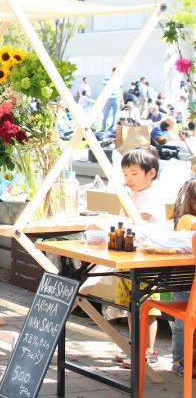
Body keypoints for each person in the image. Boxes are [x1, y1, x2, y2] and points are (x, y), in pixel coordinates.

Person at [115, 146, 165, 367]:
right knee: (130, 307)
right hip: (130, 257)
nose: (129, 179)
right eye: (126, 174)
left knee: (146, 309)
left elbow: (138, 221)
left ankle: (148, 351)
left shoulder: (152, 195)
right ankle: (135, 348)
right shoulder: (132, 194)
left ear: (151, 173)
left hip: (147, 259)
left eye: (134, 174)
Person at [171, 180, 196, 377]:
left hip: (189, 281)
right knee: (182, 325)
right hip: (183, 280)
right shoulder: (187, 219)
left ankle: (190, 360)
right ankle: (179, 360)